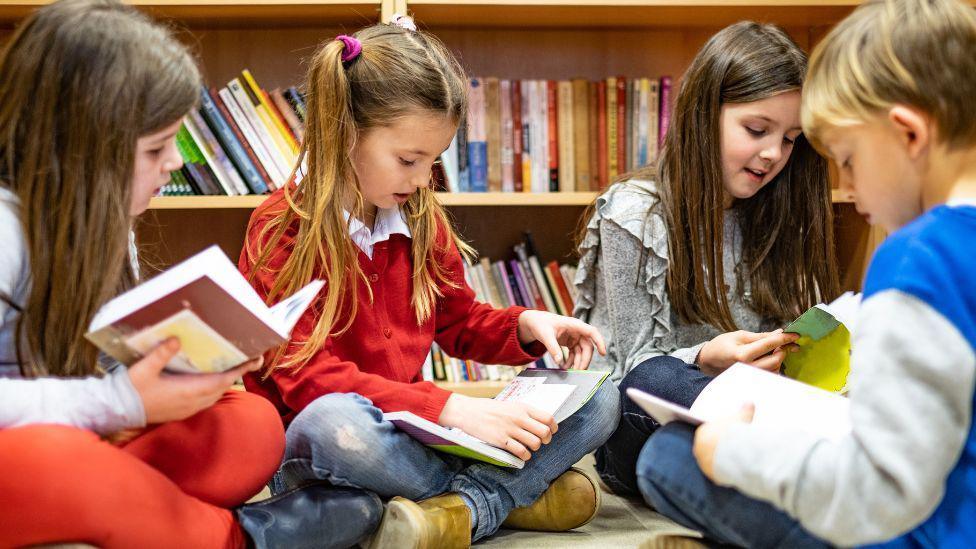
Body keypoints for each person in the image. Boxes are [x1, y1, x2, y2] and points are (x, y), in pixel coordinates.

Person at [0, 1, 381, 547]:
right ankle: (240, 536)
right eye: (156, 148)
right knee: (56, 464)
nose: (175, 163)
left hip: (89, 431)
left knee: (250, 423)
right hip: (32, 447)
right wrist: (120, 403)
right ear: (75, 150)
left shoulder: (105, 223)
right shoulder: (6, 227)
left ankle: (133, 512)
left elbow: (107, 367)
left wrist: (196, 368)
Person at [239, 17, 620, 548]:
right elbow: (306, 382)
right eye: (408, 160)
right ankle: (505, 499)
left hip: (420, 435)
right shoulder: (281, 229)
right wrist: (448, 409)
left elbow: (459, 321)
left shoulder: (418, 217)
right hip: (338, 439)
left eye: (434, 161)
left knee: (601, 395)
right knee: (334, 421)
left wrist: (528, 325)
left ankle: (458, 508)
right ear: (344, 132)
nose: (423, 180)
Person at [641, 0, 976, 547]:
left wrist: (735, 452)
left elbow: (881, 493)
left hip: (918, 531)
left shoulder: (920, 258)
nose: (848, 188)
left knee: (670, 457)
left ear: (908, 136)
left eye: (847, 159)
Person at [575, 21, 839, 498]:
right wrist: (706, 358)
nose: (772, 154)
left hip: (759, 412)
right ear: (702, 115)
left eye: (790, 138)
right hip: (643, 423)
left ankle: (760, 464)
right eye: (757, 130)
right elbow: (631, 368)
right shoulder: (635, 212)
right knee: (652, 377)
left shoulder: (783, 212)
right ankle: (784, 461)